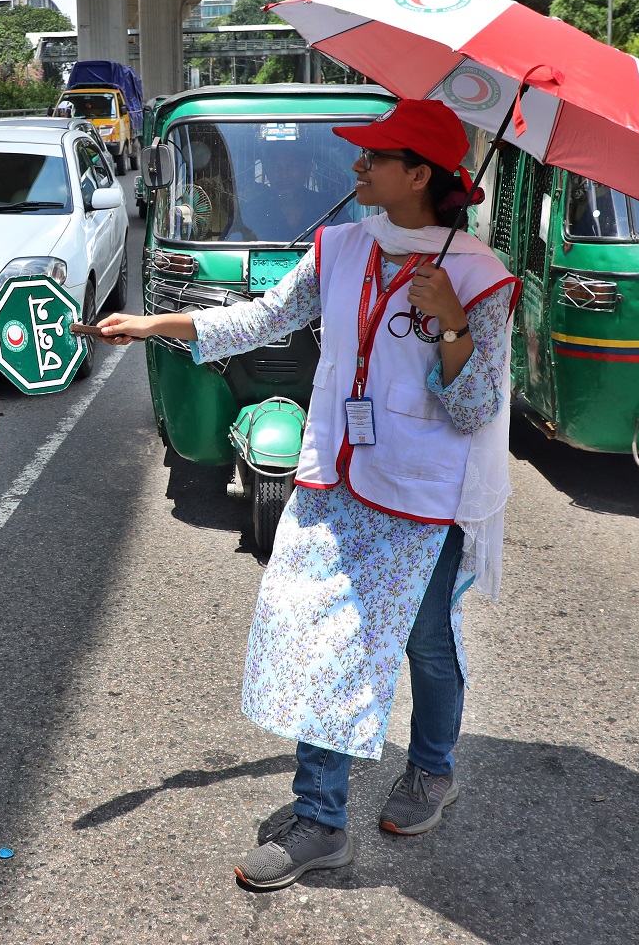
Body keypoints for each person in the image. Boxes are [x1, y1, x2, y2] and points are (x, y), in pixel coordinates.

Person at [96, 98, 519, 893]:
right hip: (334, 479)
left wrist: (454, 322)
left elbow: (472, 409)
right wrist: (155, 326)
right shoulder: (338, 248)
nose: (355, 168)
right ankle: (321, 821)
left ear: (421, 175)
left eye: (373, 158)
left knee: (425, 642)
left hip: (424, 496)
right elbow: (261, 319)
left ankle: (431, 768)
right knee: (321, 638)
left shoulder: (478, 278)